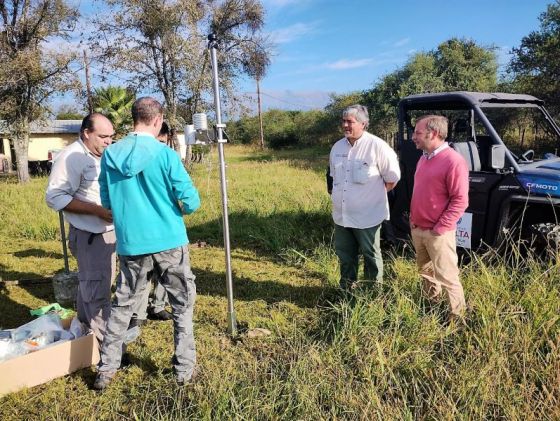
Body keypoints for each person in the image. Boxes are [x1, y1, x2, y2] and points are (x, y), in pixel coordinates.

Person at [94, 97, 200, 390]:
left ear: (133, 119)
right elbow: (191, 200)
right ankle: (183, 370)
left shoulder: (110, 154)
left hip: (131, 243)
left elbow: (106, 200)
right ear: (158, 120)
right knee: (182, 305)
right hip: (170, 241)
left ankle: (106, 369)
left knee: (123, 305)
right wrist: (178, 211)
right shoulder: (165, 155)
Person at [45, 113, 116, 344]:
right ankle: (107, 349)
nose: (108, 141)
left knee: (91, 286)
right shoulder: (72, 157)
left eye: (111, 137)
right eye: (103, 136)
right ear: (86, 133)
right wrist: (96, 211)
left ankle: (85, 337)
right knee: (97, 293)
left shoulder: (98, 155)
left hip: (105, 233)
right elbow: (55, 197)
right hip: (90, 236)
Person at [329, 104, 400, 290]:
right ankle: (347, 287)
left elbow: (392, 179)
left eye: (350, 122)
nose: (345, 125)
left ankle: (372, 291)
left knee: (370, 254)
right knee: (345, 254)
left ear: (363, 123)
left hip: (368, 216)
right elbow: (334, 179)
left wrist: (370, 197)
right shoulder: (337, 147)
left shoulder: (377, 146)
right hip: (342, 215)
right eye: (343, 121)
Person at [409, 115, 469, 320]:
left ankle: (457, 318)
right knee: (426, 272)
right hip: (418, 228)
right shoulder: (424, 158)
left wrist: (440, 228)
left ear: (432, 133)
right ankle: (431, 308)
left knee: (447, 276)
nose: (413, 137)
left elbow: (460, 200)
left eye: (417, 132)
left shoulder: (453, 161)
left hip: (437, 233)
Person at [129, 122, 173, 327]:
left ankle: (158, 305)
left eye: (163, 142)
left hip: (165, 226)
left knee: (165, 271)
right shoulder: (134, 157)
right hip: (141, 226)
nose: (160, 146)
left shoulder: (167, 157)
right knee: (142, 273)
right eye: (158, 142)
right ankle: (138, 313)